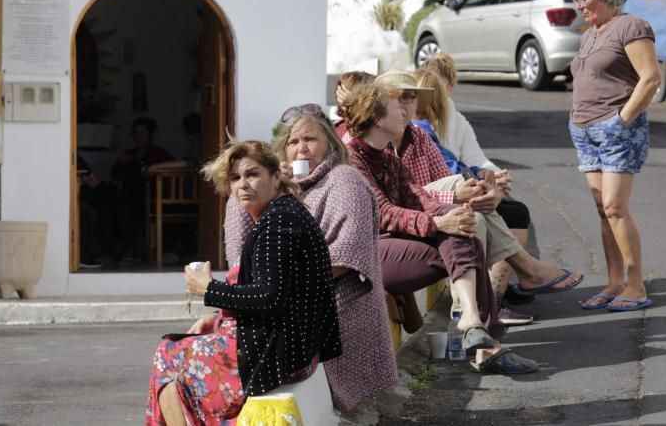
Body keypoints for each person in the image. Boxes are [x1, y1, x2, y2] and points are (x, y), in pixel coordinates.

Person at [343, 82, 539, 375]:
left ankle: (474, 324)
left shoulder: (387, 158)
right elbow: (381, 214)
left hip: (395, 247)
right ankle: (481, 335)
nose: (404, 111)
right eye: (396, 105)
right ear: (375, 117)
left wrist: (451, 215)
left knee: (462, 228)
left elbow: (418, 198)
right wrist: (436, 223)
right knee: (457, 235)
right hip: (364, 257)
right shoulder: (351, 159)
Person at [145, 140, 341, 425]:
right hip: (294, 347)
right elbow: (277, 291)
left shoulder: (278, 223)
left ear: (275, 177)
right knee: (178, 353)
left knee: (168, 355)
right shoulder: (283, 214)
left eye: (252, 174)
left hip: (280, 353)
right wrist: (218, 319)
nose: (243, 184)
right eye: (235, 178)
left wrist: (208, 289)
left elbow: (269, 297)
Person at [372, 72, 583, 326]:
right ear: (380, 106)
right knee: (476, 213)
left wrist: (487, 189)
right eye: (400, 98)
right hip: (397, 232)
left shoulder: (419, 136)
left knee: (482, 214)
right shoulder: (370, 147)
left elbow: (456, 172)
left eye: (412, 97)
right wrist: (457, 195)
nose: (408, 105)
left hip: (428, 216)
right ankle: (519, 276)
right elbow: (392, 206)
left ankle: (475, 315)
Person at [223, 104, 396, 411]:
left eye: (310, 140)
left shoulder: (344, 179)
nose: (301, 149)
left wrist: (281, 285)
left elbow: (345, 258)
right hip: (279, 304)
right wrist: (271, 186)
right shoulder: (280, 191)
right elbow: (243, 257)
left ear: (331, 142)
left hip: (334, 306)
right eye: (292, 142)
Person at [569, 0, 661, 311]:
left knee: (615, 207)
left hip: (616, 130)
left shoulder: (631, 26)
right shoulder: (590, 33)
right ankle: (614, 282)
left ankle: (636, 285)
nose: (580, 6)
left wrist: (621, 121)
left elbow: (650, 78)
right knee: (601, 209)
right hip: (584, 130)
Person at [411, 68, 538, 318]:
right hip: (430, 206)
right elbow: (444, 175)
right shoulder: (419, 129)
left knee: (502, 209)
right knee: (483, 214)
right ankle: (491, 300)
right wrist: (481, 181)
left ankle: (494, 297)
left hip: (446, 194)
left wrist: (488, 176)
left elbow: (465, 161)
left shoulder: (433, 126)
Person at [110, 117, 174, 264]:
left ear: (150, 135)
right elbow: (114, 175)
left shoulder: (157, 152)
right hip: (130, 195)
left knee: (133, 209)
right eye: (136, 133)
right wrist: (120, 163)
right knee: (118, 209)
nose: (138, 137)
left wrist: (155, 170)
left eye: (142, 133)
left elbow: (173, 166)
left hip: (153, 197)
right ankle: (128, 251)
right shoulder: (129, 153)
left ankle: (141, 251)